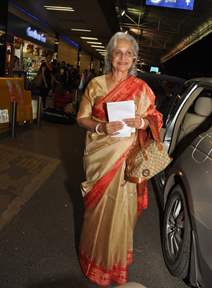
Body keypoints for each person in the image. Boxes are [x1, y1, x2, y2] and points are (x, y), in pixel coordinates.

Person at [77, 32, 163, 287]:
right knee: (96, 212)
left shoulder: (141, 89)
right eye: (118, 52)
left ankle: (114, 268)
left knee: (121, 216)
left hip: (127, 163)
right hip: (100, 159)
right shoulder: (96, 85)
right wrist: (101, 128)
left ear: (134, 58)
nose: (123, 58)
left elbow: (156, 119)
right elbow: (81, 118)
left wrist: (143, 121)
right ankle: (92, 262)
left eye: (128, 53)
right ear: (110, 56)